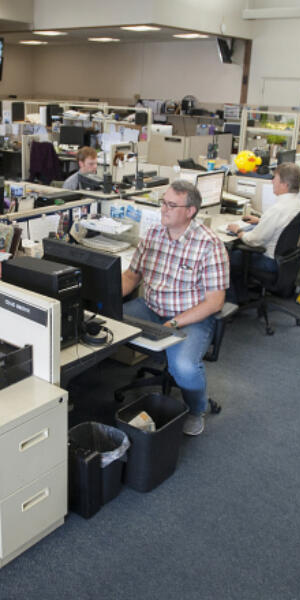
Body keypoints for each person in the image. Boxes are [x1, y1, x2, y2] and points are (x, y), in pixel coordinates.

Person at [121, 180, 229, 436]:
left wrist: (174, 323)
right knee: (103, 324)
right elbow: (131, 276)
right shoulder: (153, 234)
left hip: (191, 317)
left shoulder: (209, 244)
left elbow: (215, 302)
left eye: (171, 205)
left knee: (184, 366)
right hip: (150, 307)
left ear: (190, 211)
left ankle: (195, 409)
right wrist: (105, 298)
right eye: (163, 202)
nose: (163, 209)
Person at [226, 162, 300, 297]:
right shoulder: (298, 204)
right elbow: (282, 225)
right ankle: (242, 295)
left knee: (225, 258)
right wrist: (261, 221)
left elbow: (254, 240)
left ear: (284, 185)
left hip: (268, 262)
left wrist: (238, 231)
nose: (272, 182)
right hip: (284, 261)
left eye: (275, 178)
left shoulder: (277, 209)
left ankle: (232, 302)